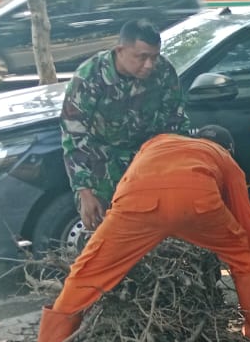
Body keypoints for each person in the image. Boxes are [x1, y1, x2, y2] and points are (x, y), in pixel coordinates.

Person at [10, 126, 250, 342]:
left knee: (83, 279)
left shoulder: (156, 143)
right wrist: (249, 261)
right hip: (198, 201)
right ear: (227, 148)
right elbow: (246, 223)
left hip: (137, 203)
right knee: (244, 257)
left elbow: (131, 186)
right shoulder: (223, 157)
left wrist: (123, 235)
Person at [61, 20, 190, 232]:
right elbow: (74, 135)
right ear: (120, 50)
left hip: (148, 164)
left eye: (154, 56)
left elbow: (175, 123)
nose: (150, 64)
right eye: (142, 57)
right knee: (107, 236)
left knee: (156, 235)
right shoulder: (90, 76)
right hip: (102, 167)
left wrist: (179, 172)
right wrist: (84, 190)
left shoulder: (164, 72)